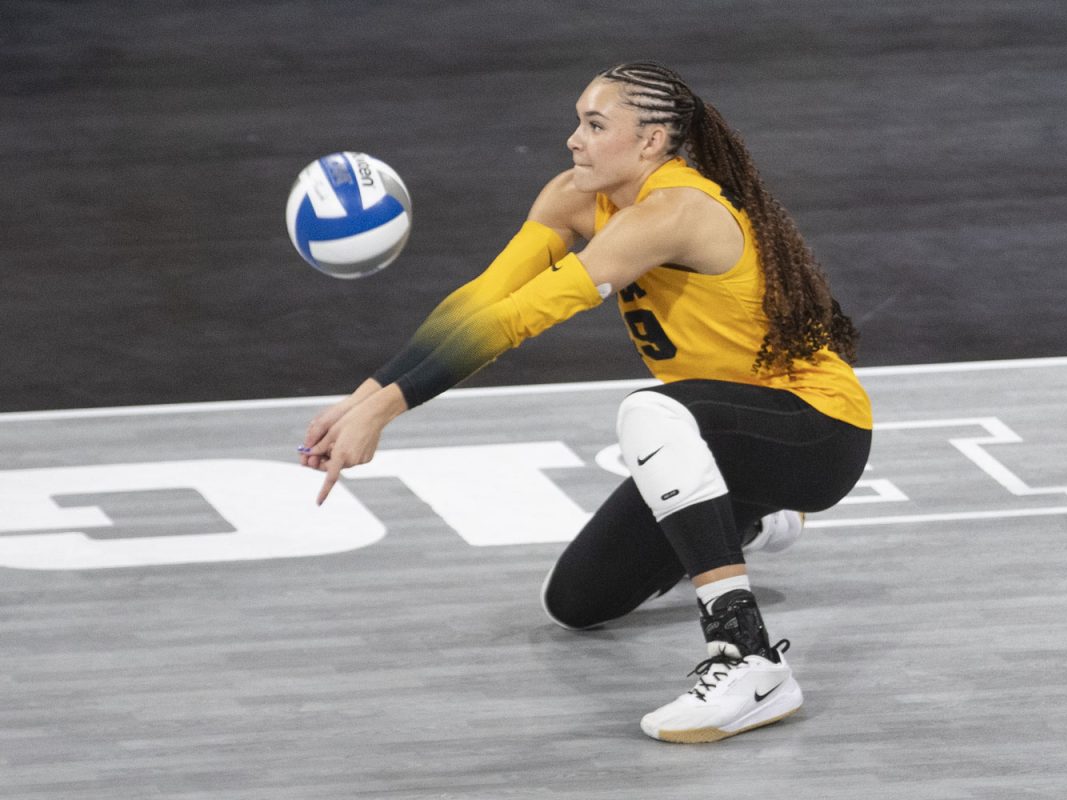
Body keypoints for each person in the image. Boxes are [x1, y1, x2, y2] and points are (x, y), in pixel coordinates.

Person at [298, 61, 872, 743]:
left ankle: (748, 659)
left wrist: (385, 413)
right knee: (573, 603)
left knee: (652, 413)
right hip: (723, 438)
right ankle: (749, 518)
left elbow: (524, 317)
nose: (574, 139)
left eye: (596, 126)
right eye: (579, 121)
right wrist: (366, 395)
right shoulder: (575, 196)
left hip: (818, 432)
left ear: (652, 141)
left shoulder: (673, 212)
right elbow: (484, 299)